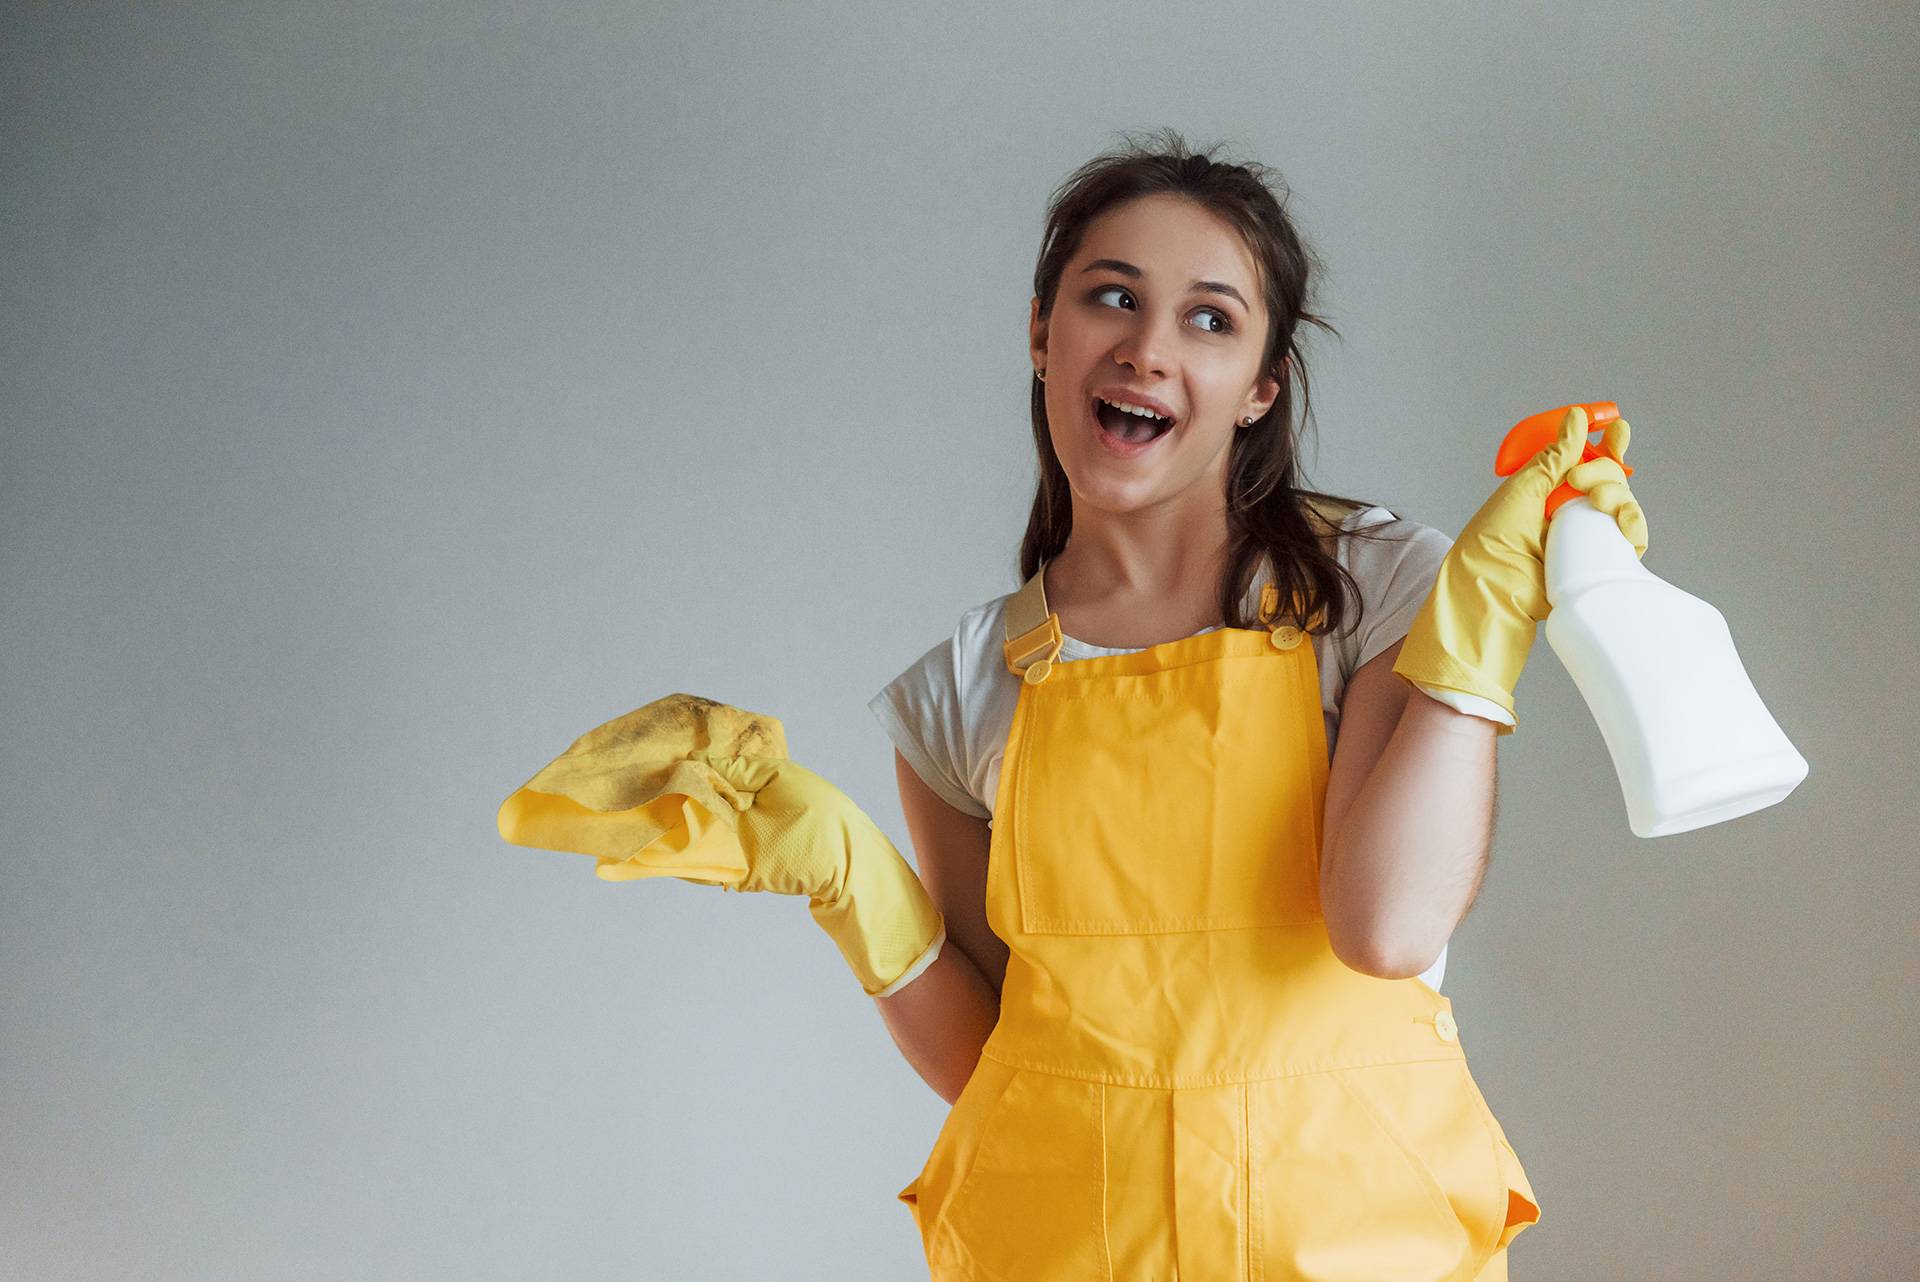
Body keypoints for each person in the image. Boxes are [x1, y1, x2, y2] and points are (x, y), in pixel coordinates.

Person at [499, 133, 1646, 1281]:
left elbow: (1387, 928)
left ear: (1261, 386)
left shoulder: (1373, 588)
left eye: (1209, 319)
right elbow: (1001, 1066)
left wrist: (1475, 638)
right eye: (1113, 297)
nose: (1148, 349)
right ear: (1044, 334)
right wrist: (845, 874)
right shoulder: (964, 687)